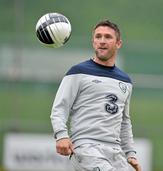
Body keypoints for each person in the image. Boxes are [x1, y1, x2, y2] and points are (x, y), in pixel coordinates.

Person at [50, 20, 141, 171]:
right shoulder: (78, 72)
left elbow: (124, 121)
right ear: (93, 42)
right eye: (98, 37)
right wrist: (61, 135)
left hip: (115, 151)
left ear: (118, 43)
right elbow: (60, 107)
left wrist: (130, 152)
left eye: (108, 37)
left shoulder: (125, 81)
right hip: (86, 148)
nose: (102, 41)